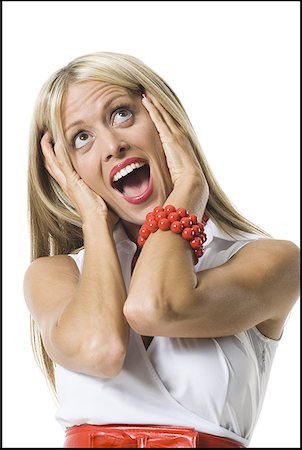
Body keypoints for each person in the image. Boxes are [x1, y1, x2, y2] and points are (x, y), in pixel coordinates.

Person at [23, 51, 300, 449]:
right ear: (68, 172)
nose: (112, 145)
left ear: (165, 122)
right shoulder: (55, 275)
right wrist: (95, 221)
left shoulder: (271, 260)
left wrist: (189, 187)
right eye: (81, 138)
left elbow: (154, 307)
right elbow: (102, 349)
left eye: (121, 114)